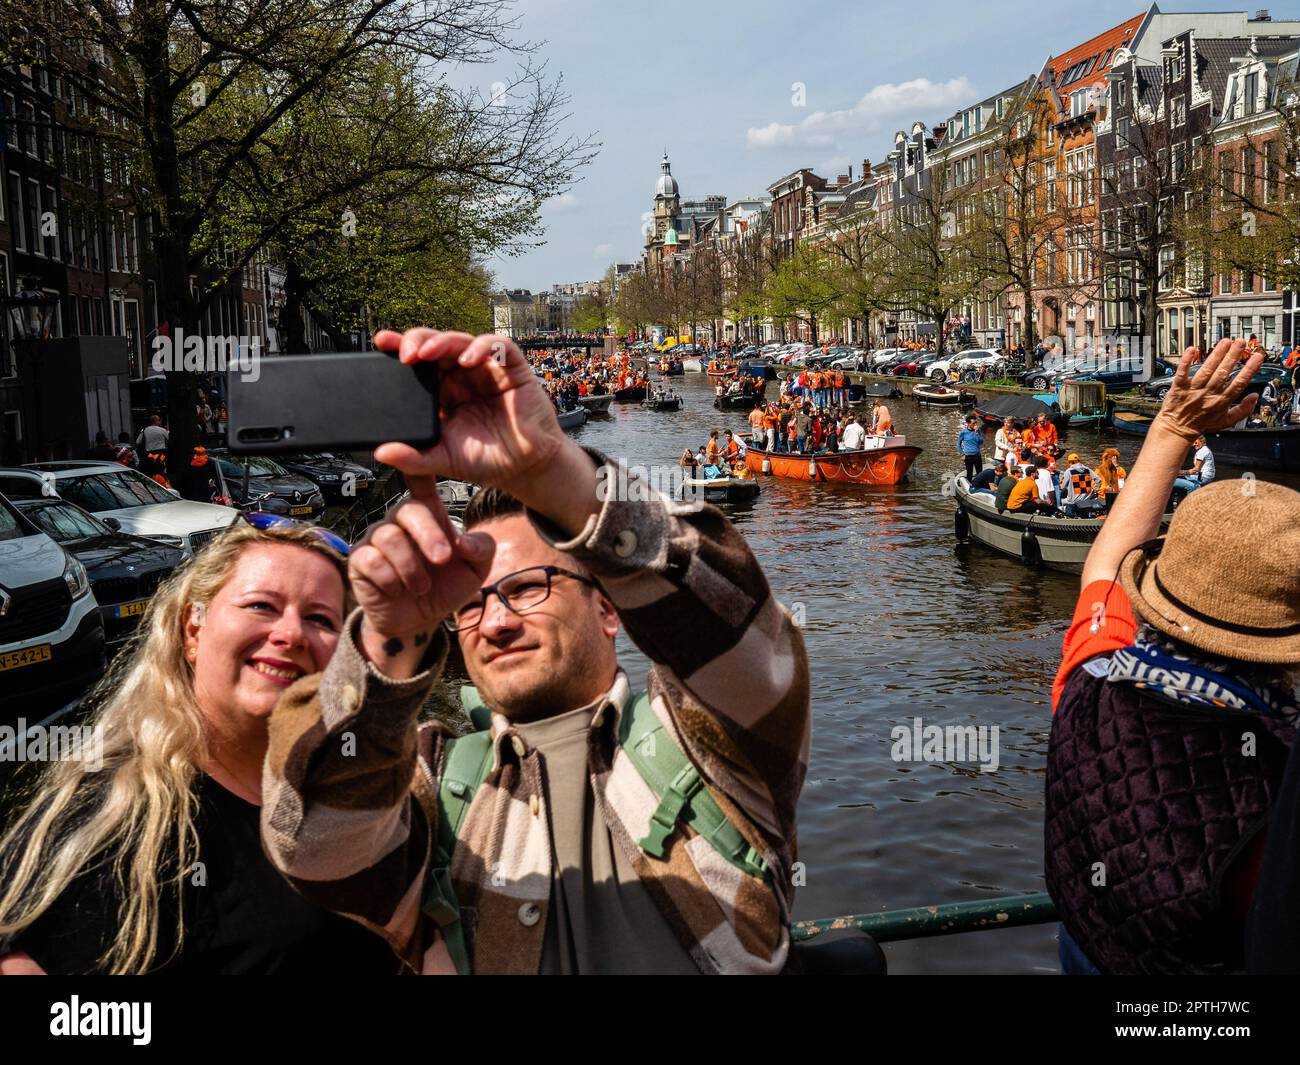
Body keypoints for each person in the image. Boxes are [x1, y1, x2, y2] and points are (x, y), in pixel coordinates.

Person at [258, 327, 811, 975]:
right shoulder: (436, 786)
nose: (493, 620)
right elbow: (309, 841)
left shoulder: (708, 749)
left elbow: (741, 635)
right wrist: (387, 641)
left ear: (608, 606)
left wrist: (550, 470)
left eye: (527, 587)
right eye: (468, 603)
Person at [0, 519, 397, 974]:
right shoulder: (112, 818)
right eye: (261, 605)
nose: (291, 634)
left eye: (319, 619)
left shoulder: (351, 794)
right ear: (193, 630)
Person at [1046, 338, 1299, 976]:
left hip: (1089, 947)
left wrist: (1173, 427)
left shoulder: (1091, 676)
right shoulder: (1277, 773)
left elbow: (1103, 561)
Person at [1058, 453, 1100, 518]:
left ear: (1070, 462)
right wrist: (1094, 491)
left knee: (1069, 521)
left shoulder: (1069, 471)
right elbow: (1098, 480)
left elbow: (1063, 488)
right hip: (1085, 502)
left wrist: (1060, 485)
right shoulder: (1087, 470)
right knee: (1085, 520)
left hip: (1072, 502)